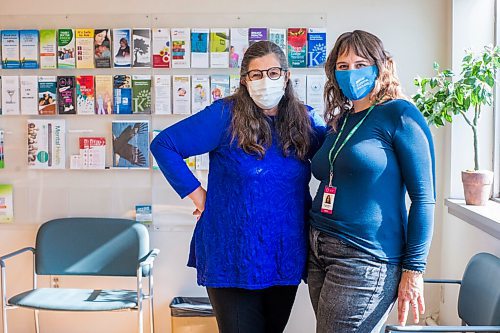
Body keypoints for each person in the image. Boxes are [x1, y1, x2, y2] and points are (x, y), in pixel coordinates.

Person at [151, 40, 326, 333]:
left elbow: (338, 159)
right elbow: (164, 145)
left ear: (286, 76)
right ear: (244, 80)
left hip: (285, 254)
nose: (264, 81)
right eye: (255, 75)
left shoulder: (305, 119)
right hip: (231, 254)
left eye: (272, 72)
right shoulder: (224, 115)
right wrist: (201, 198)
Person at [307, 30, 435, 333]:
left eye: (360, 63)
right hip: (319, 249)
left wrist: (414, 270)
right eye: (343, 66)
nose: (352, 72)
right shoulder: (341, 120)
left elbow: (424, 198)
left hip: (365, 258)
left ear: (380, 66)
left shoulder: (400, 114)